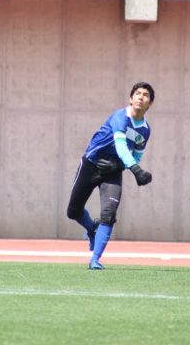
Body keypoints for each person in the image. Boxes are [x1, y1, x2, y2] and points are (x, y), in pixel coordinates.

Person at [66, 82, 155, 270]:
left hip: (113, 171)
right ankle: (91, 229)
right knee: (73, 211)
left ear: (150, 104)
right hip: (91, 164)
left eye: (145, 95)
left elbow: (136, 154)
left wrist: (120, 165)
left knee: (108, 214)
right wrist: (136, 170)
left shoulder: (145, 130)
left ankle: (95, 260)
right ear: (130, 99)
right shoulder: (120, 117)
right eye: (137, 93)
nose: (141, 97)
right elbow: (121, 145)